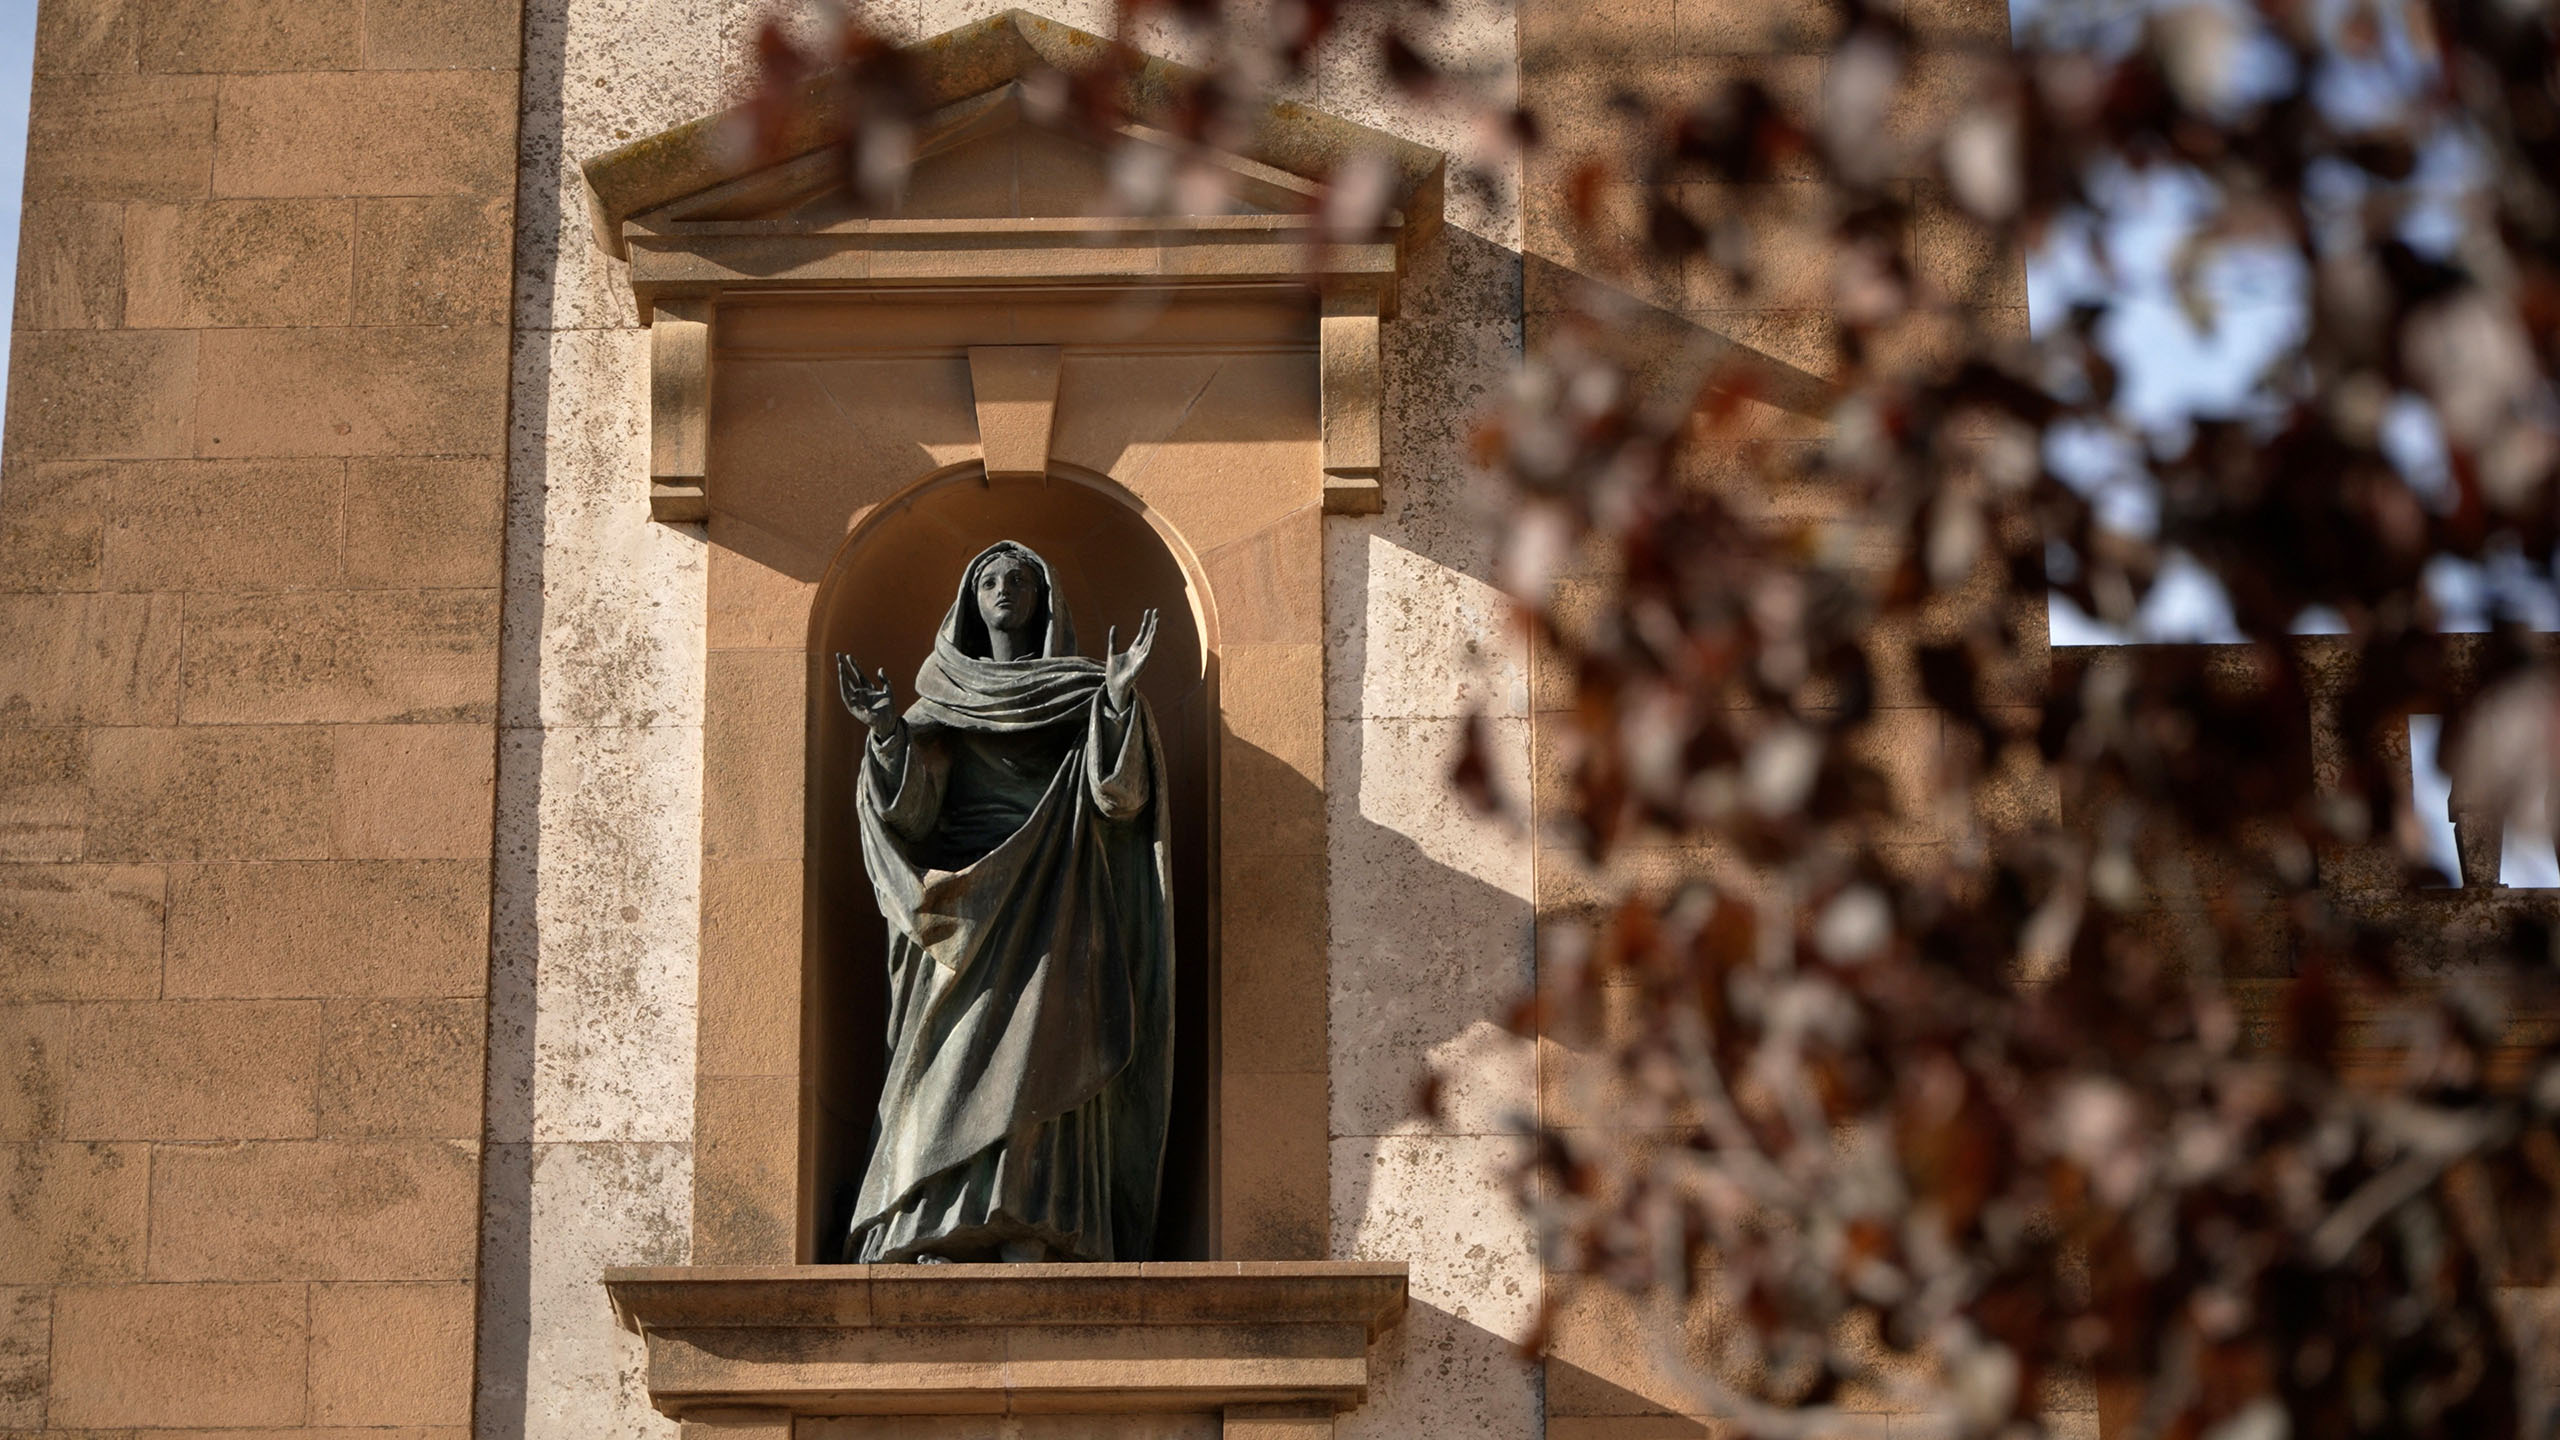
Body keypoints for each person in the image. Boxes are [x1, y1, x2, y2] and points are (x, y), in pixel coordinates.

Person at [835, 540, 1174, 1263]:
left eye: (1020, 578)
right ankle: (932, 1225)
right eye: (989, 579)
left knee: (1046, 1068)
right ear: (970, 599)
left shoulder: (1080, 691)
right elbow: (911, 815)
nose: (1003, 589)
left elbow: (1120, 801)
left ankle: (1038, 1225)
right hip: (963, 904)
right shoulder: (941, 699)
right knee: (943, 1065)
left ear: (1043, 598)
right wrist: (888, 732)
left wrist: (1115, 702)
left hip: (1058, 894)